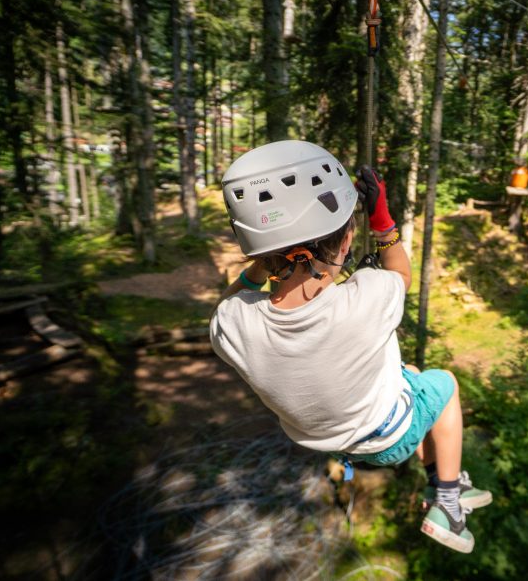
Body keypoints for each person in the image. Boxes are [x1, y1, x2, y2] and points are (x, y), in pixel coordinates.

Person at [209, 140, 491, 553]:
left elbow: (232, 299)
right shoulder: (366, 297)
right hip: (389, 437)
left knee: (408, 376)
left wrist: (265, 263)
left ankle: (442, 481)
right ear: (345, 245)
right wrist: (382, 220)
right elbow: (400, 272)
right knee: (443, 386)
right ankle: (447, 498)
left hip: (339, 443)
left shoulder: (233, 324)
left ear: (257, 252)